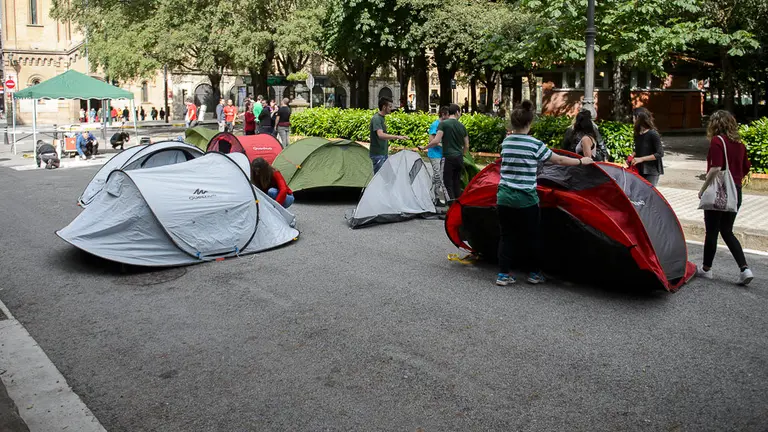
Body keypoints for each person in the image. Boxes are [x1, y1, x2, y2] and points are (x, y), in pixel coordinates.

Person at [494, 100, 595, 286]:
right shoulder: (534, 144)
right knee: (532, 236)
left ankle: (503, 274)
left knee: (507, 236)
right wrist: (582, 162)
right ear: (529, 123)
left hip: (504, 197)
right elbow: (559, 161)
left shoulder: (506, 142)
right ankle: (534, 274)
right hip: (526, 199)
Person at [696, 110, 753, 286]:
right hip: (735, 191)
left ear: (715, 124)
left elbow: (716, 168)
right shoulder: (740, 144)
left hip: (718, 192)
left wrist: (702, 188)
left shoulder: (717, 141)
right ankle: (745, 269)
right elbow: (746, 168)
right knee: (727, 230)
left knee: (712, 231)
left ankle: (706, 269)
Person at [421, 104, 467, 201]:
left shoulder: (443, 124)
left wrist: (425, 147)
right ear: (457, 112)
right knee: (456, 182)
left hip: (448, 158)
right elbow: (466, 145)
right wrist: (462, 154)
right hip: (459, 158)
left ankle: (450, 206)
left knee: (446, 183)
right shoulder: (462, 126)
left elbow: (436, 140)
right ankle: (457, 207)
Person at [369, 97, 409, 174]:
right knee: (379, 179)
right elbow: (380, 135)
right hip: (378, 154)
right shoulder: (376, 119)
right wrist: (397, 137)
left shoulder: (382, 118)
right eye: (390, 106)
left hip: (383, 153)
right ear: (384, 107)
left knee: (387, 177)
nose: (391, 108)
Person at [629, 107, 664, 186]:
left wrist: (641, 159)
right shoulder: (637, 134)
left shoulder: (653, 134)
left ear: (639, 118)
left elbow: (660, 153)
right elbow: (639, 149)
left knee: (648, 196)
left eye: (634, 118)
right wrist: (632, 155)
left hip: (652, 171)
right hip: (639, 169)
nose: (633, 120)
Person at [425, 106, 449, 205]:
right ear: (443, 115)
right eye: (448, 115)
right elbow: (432, 140)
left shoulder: (446, 125)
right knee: (438, 175)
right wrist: (442, 145)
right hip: (434, 154)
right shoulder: (435, 125)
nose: (449, 117)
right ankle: (435, 197)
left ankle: (429, 191)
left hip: (442, 154)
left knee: (439, 176)